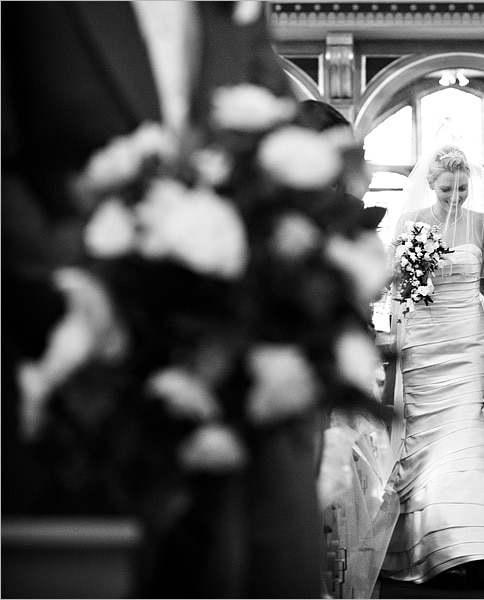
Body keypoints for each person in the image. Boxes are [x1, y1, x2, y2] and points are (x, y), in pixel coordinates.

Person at [2, 4, 327, 598]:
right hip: (71, 359)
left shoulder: (234, 12)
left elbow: (279, 147)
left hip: (238, 370)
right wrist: (88, 287)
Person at [381, 145, 484, 585]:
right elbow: (396, 285)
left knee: (467, 430)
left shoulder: (482, 223)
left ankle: (479, 543)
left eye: (463, 189)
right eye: (448, 189)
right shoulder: (411, 222)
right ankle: (436, 541)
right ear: (431, 184)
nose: (456, 197)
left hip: (467, 337)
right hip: (425, 339)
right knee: (426, 436)